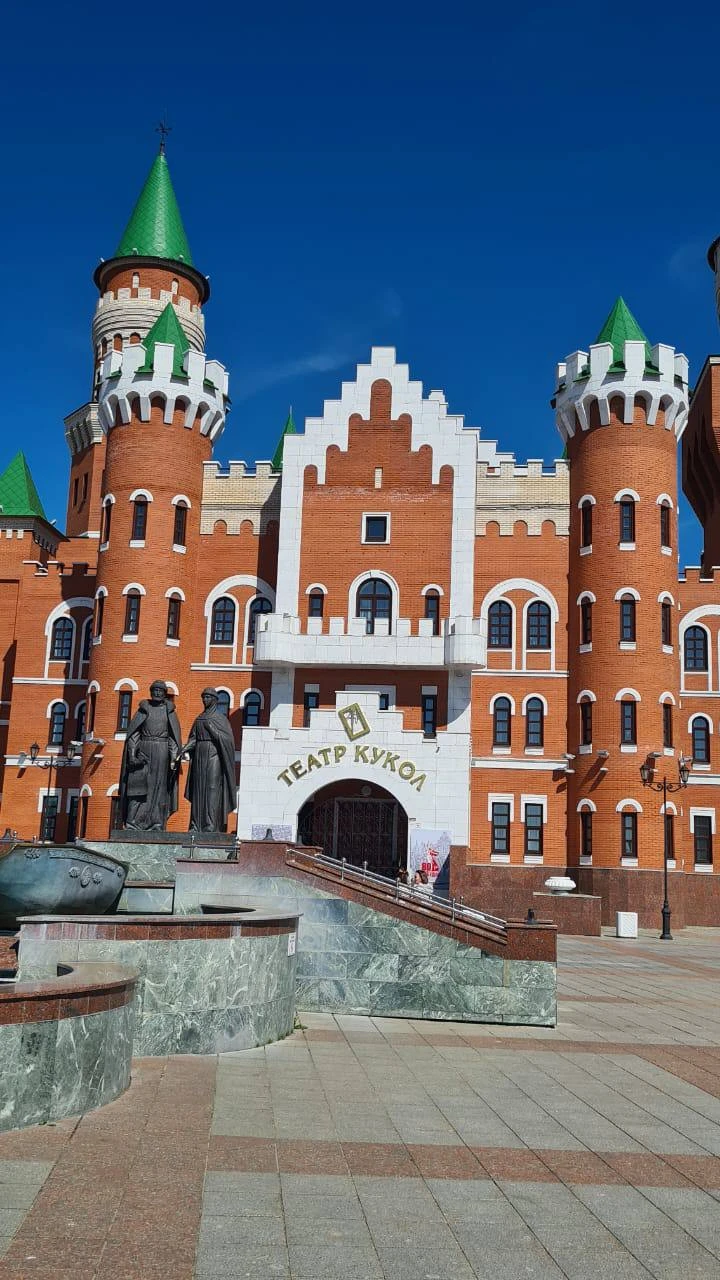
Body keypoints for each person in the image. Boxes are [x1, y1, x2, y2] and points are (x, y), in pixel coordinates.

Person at [119, 681, 182, 831]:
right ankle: (133, 822)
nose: (157, 693)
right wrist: (132, 755)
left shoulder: (169, 711)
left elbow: (173, 738)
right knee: (139, 786)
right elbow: (134, 734)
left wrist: (174, 758)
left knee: (159, 788)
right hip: (144, 750)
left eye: (160, 690)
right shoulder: (144, 709)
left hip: (162, 751)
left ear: (165, 693)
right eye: (155, 690)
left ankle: (156, 823)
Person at [183, 688, 237, 832]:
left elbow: (228, 741)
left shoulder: (220, 719)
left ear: (215, 700)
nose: (205, 700)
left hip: (214, 755)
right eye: (203, 697)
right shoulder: (199, 718)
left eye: (208, 697)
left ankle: (210, 824)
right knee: (198, 789)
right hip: (199, 755)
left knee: (212, 788)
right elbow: (193, 738)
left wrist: (212, 730)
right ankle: (195, 824)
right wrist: (185, 748)